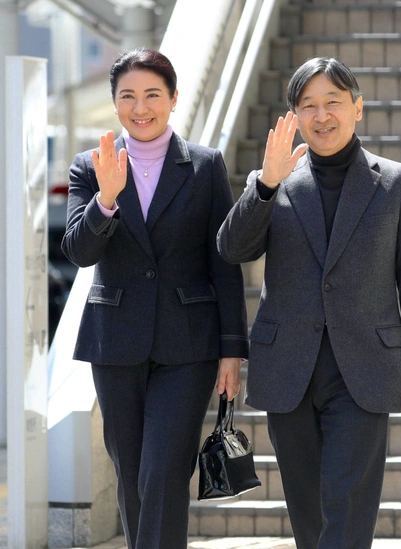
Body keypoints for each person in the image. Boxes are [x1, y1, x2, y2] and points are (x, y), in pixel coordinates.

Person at [217, 57, 401, 549]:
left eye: (333, 103)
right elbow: (231, 249)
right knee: (308, 511)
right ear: (295, 116)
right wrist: (265, 184)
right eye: (309, 106)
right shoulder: (273, 179)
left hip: (365, 369)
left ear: (357, 107)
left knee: (348, 506)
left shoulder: (399, 182)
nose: (322, 116)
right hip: (288, 369)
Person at [61, 48, 247, 549]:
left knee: (163, 470)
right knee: (131, 472)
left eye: (152, 95)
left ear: (173, 98)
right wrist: (105, 200)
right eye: (128, 96)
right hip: (114, 343)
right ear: (114, 102)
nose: (140, 108)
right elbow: (78, 251)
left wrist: (233, 350)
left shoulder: (205, 165)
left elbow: (224, 261)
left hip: (188, 346)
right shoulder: (89, 167)